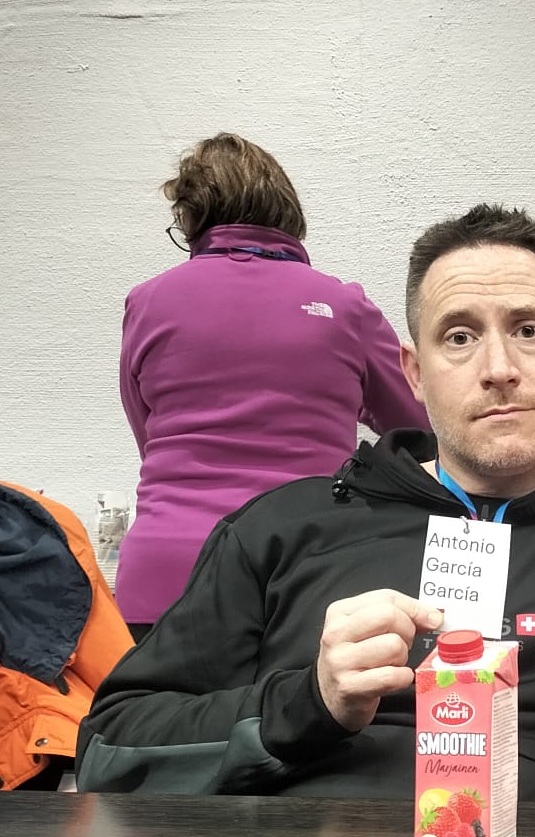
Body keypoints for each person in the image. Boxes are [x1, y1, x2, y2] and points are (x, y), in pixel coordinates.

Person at [78, 205, 535, 799]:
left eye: (528, 331)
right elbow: (108, 748)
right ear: (414, 374)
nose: (498, 369)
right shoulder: (282, 531)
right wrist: (308, 701)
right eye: (459, 337)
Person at [114, 133, 429, 632]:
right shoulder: (344, 307)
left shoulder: (147, 302)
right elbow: (420, 429)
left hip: (165, 575)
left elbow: (147, 434)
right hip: (305, 572)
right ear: (286, 211)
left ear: (192, 220)